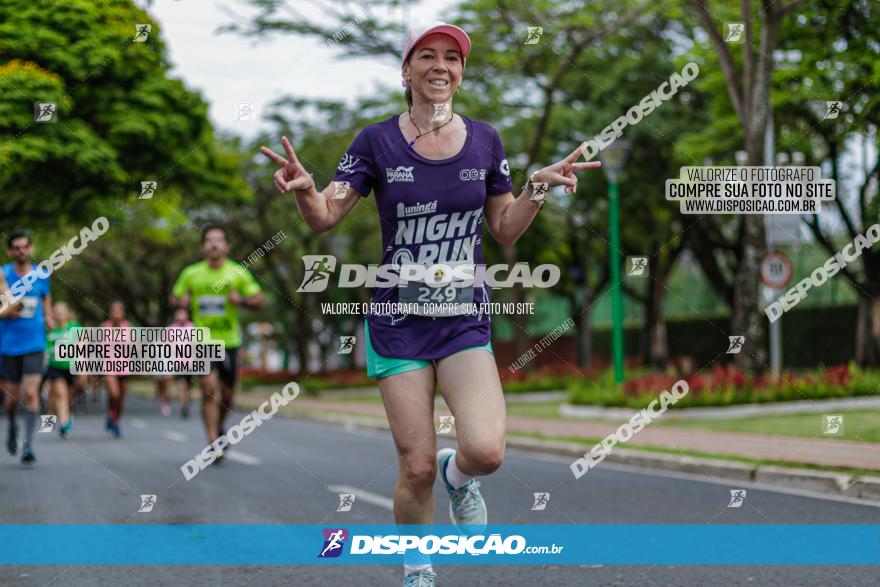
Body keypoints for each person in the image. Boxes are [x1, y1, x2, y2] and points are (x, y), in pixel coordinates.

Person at [261, 21, 601, 586]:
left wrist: (536, 189)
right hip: (398, 321)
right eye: (428, 56)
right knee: (414, 467)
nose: (441, 65)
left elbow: (504, 229)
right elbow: (325, 217)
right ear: (407, 71)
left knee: (486, 451)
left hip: (463, 316)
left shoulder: (487, 140)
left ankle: (459, 475)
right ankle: (418, 569)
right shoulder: (375, 141)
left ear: (461, 74)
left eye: (452, 58)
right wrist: (305, 191)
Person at [171, 225, 264, 461]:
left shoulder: (237, 273)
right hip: (202, 341)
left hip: (230, 341)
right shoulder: (191, 273)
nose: (214, 244)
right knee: (209, 388)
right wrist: (181, 300)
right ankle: (214, 441)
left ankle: (220, 428)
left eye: (219, 240)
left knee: (229, 395)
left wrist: (240, 300)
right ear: (203, 247)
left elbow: (258, 299)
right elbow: (174, 297)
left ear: (227, 246)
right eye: (209, 240)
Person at [1, 229, 55, 464]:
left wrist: (50, 318)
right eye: (16, 247)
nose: (21, 251)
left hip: (35, 342)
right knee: (12, 399)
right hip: (9, 344)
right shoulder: (3, 274)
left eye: (25, 246)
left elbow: (46, 300)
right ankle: (12, 424)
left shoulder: (42, 275)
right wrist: (7, 311)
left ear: (31, 249)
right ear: (10, 251)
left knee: (31, 392)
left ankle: (28, 446)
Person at [44, 302, 81, 438]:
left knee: (68, 397)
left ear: (67, 313)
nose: (59, 314)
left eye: (62, 311)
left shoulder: (74, 327)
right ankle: (64, 425)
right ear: (53, 314)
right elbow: (47, 349)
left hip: (71, 367)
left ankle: (63, 417)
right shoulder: (51, 330)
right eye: (56, 311)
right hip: (55, 368)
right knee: (60, 395)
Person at [156, 308, 196, 418]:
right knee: (182, 384)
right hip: (177, 362)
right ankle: (183, 406)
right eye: (179, 318)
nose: (181, 320)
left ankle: (186, 403)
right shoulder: (171, 329)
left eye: (183, 318)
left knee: (188, 385)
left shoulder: (193, 327)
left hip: (191, 362)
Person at [102, 301, 131, 438]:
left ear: (123, 313)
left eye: (119, 311)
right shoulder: (104, 327)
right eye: (114, 310)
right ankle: (110, 413)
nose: (116, 313)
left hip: (125, 368)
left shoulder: (128, 328)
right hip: (109, 367)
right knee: (115, 394)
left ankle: (115, 421)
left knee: (121, 399)